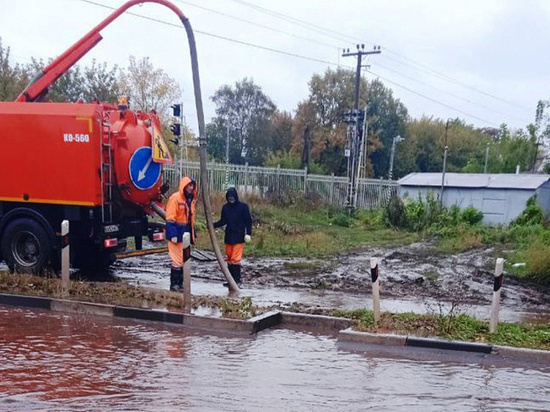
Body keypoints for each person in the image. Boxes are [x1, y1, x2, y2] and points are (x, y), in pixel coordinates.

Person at [214, 187, 252, 286]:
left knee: (235, 259)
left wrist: (248, 233)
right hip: (229, 237)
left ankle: (237, 281)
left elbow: (248, 221)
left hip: (239, 236)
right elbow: (223, 221)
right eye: (229, 197)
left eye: (232, 197)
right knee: (230, 259)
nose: (231, 199)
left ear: (235, 196)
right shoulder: (225, 208)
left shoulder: (243, 207)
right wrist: (212, 225)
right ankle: (230, 281)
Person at [165, 177, 197, 291]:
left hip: (186, 234)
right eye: (189, 185)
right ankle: (175, 285)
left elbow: (191, 219)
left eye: (192, 186)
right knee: (177, 260)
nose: (191, 188)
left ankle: (180, 284)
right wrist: (172, 234)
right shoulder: (175, 198)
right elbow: (170, 218)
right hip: (177, 234)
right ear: (184, 186)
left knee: (185, 260)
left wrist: (193, 233)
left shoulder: (191, 200)